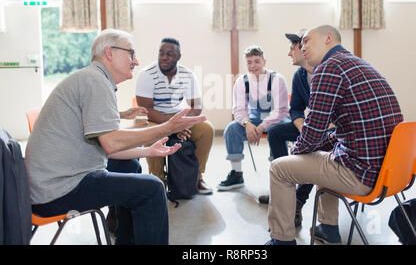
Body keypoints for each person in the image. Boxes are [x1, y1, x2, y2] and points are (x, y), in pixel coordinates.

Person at [25, 29, 206, 245]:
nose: (136, 61)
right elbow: (111, 143)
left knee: (131, 167)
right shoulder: (95, 81)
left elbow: (105, 143)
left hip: (54, 181)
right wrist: (167, 127)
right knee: (152, 189)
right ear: (109, 53)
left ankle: (125, 240)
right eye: (131, 54)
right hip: (57, 191)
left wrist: (147, 150)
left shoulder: (94, 78)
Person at [265, 25, 403, 245]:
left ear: (328, 38)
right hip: (391, 171)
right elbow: (341, 132)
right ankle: (328, 228)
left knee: (279, 169)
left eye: (307, 41)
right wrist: (316, 146)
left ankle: (281, 241)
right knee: (327, 154)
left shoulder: (329, 68)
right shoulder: (359, 63)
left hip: (363, 175)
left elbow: (312, 134)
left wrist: (296, 153)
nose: (302, 46)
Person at [135, 37, 215, 194]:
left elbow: (196, 106)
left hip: (179, 118)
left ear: (179, 56)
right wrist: (171, 126)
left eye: (170, 54)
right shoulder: (147, 74)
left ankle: (197, 178)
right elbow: (146, 109)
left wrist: (181, 124)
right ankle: (158, 179)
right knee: (150, 133)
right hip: (155, 118)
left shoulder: (187, 75)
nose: (164, 57)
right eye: (161, 53)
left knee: (207, 129)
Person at [259, 30, 316, 229]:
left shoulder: (325, 72)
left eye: (292, 48)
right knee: (276, 132)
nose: (289, 53)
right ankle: (283, 187)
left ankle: (297, 201)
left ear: (305, 49)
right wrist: (302, 128)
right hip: (311, 126)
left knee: (314, 151)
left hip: (329, 131)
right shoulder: (300, 76)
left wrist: (309, 133)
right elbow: (297, 109)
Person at [217, 46, 289, 191]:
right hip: (254, 119)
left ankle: (279, 175)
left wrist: (261, 127)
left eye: (257, 61)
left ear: (264, 61)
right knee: (231, 129)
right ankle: (237, 174)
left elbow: (280, 111)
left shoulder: (277, 79)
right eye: (249, 62)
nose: (253, 65)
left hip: (278, 119)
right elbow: (238, 109)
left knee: (277, 131)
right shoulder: (242, 82)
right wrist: (248, 124)